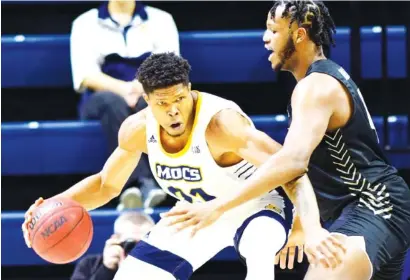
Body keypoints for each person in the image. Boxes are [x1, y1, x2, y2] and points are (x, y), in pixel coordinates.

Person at [22, 53, 343, 280]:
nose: (174, 111)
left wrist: (302, 226)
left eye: (180, 99)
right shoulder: (136, 130)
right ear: (146, 101)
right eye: (163, 104)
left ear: (189, 90)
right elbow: (107, 184)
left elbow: (293, 167)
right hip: (198, 211)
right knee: (133, 276)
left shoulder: (221, 125)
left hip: (258, 204)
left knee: (259, 250)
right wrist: (53, 205)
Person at [163, 1, 410, 280]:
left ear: (299, 35)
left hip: (373, 203)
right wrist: (303, 223)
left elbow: (293, 162)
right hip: (369, 208)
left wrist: (217, 206)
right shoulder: (320, 80)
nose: (265, 38)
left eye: (273, 31)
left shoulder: (315, 87)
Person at [70, 0, 180, 209]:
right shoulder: (85, 23)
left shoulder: (161, 19)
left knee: (148, 105)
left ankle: (147, 184)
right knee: (113, 103)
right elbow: (85, 75)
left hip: (148, 91)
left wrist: (139, 88)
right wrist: (124, 89)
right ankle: (137, 183)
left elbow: (170, 68)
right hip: (101, 97)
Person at [71, 211, 155, 280]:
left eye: (145, 245)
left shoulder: (162, 265)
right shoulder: (89, 265)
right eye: (131, 245)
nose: (137, 252)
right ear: (115, 241)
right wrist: (107, 269)